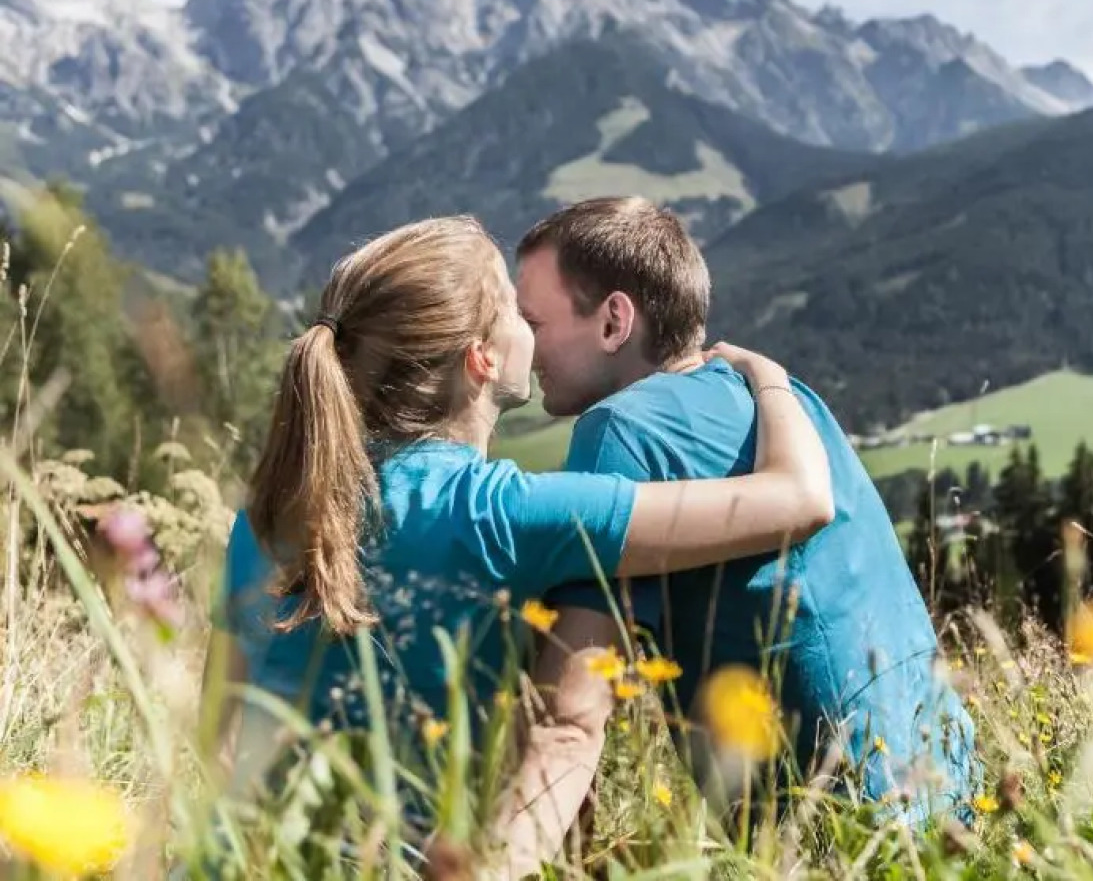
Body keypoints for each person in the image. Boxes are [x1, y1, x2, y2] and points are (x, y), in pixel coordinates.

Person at [200, 215, 835, 860]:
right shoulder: (499, 514)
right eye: (512, 307)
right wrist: (768, 378)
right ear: (483, 357)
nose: (528, 320)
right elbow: (800, 498)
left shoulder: (269, 513)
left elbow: (215, 737)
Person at [509, 197, 977, 849]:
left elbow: (573, 710)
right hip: (953, 797)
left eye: (532, 319)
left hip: (828, 840)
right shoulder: (784, 398)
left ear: (615, 320)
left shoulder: (621, 430)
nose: (521, 344)